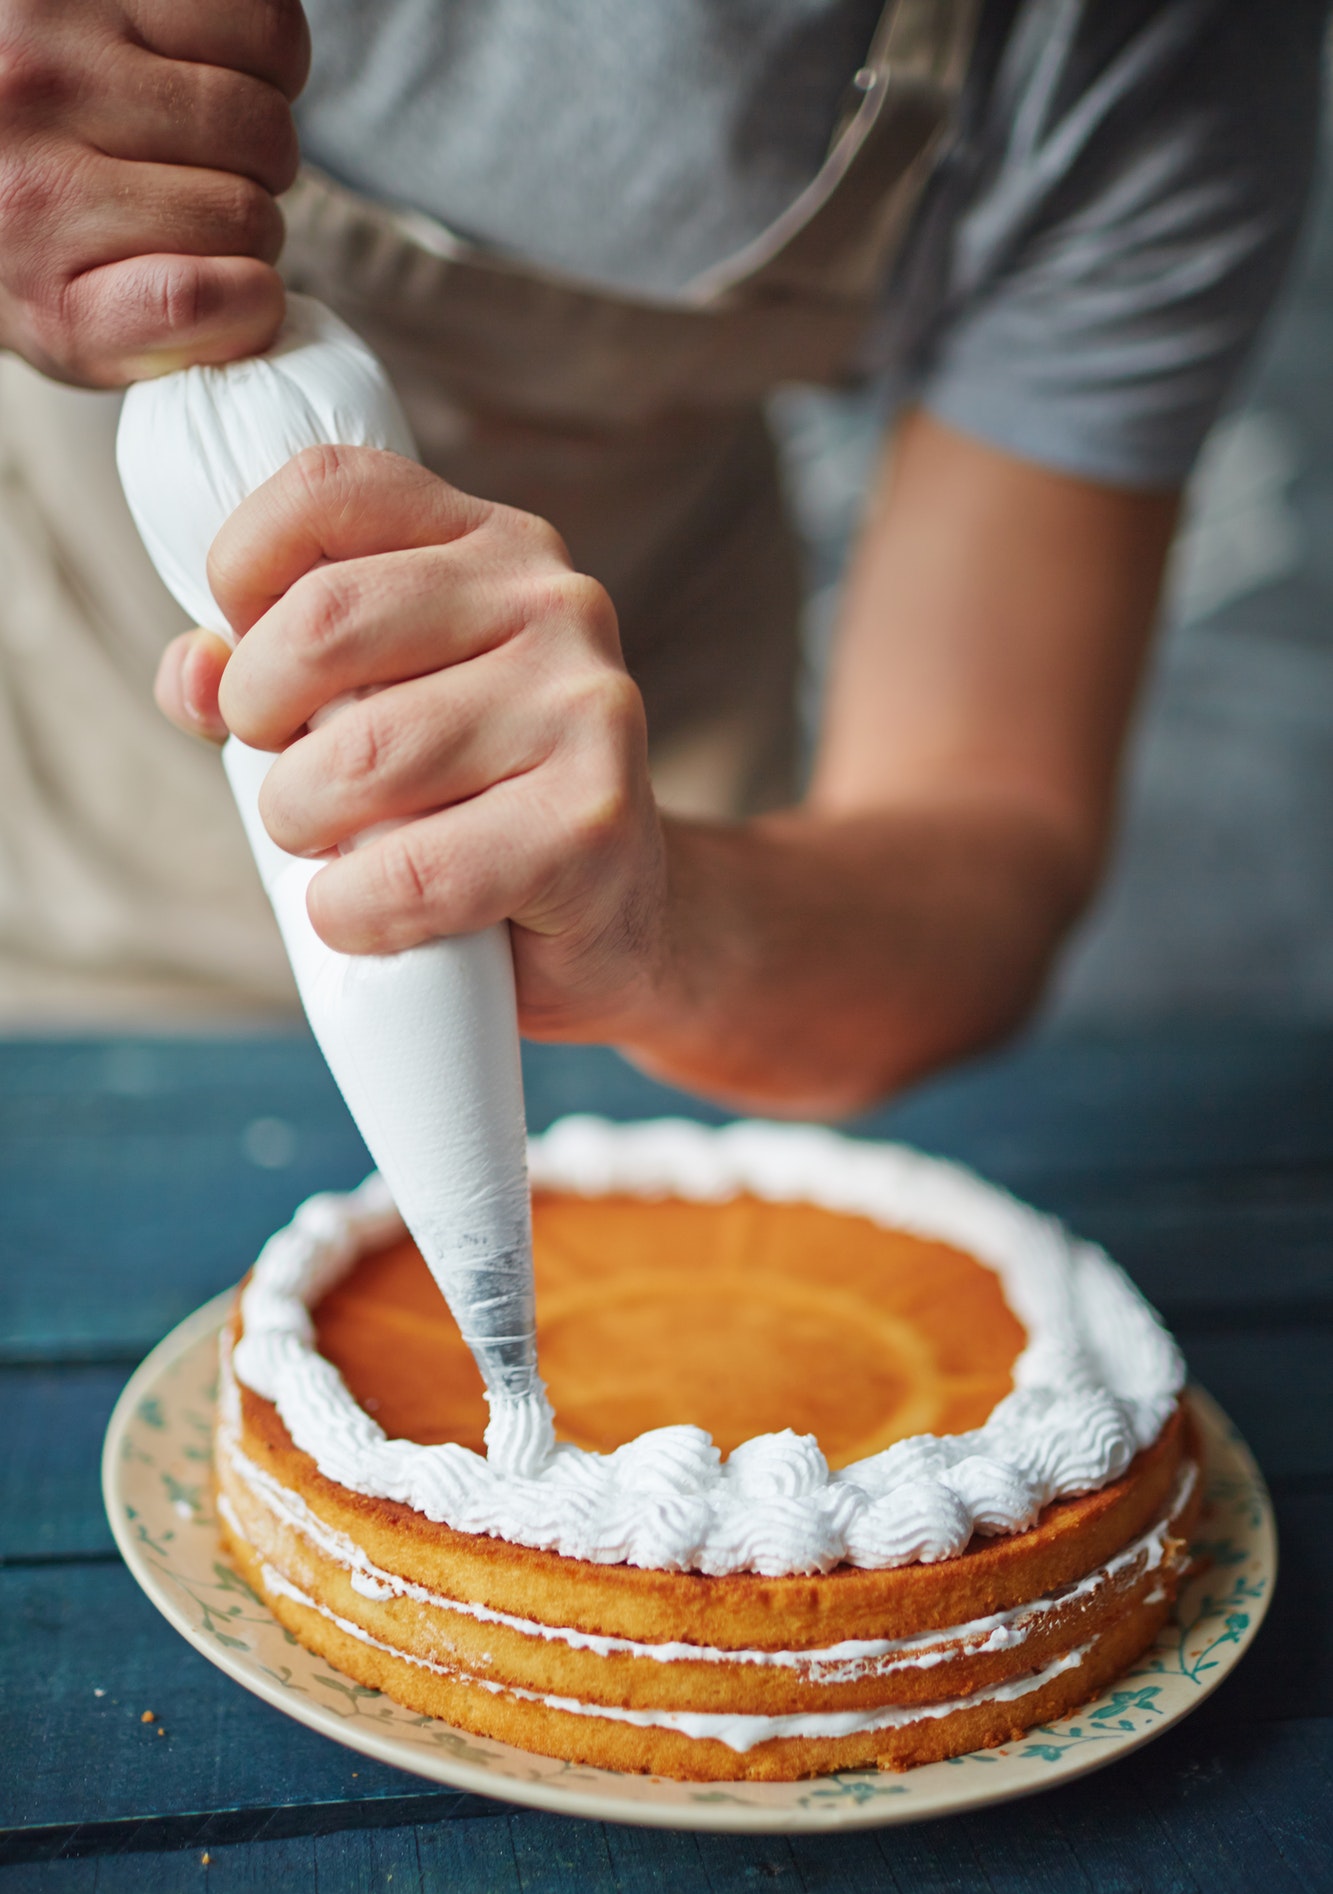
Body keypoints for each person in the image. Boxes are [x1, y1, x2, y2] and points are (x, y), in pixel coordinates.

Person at [0, 1, 1323, 1109]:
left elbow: (989, 834)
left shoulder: (1158, 58)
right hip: (49, 769)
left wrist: (657, 932)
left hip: (640, 798)